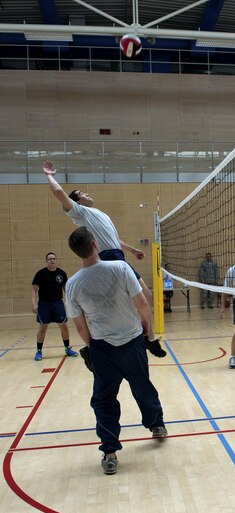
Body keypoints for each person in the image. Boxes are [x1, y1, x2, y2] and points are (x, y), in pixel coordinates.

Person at [65, 227, 167, 475]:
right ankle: (156, 426)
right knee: (142, 387)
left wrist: (92, 348)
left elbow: (79, 325)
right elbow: (143, 302)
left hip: (103, 349)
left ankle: (109, 452)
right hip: (132, 343)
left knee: (103, 400)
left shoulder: (72, 284)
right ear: (96, 244)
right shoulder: (121, 268)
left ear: (77, 252)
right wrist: (148, 331)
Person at [42, 161, 166, 359]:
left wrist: (133, 250)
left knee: (147, 295)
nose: (87, 194)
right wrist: (49, 175)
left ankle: (148, 338)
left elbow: (113, 239)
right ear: (76, 201)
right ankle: (138, 340)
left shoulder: (97, 214)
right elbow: (58, 193)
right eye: (82, 193)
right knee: (135, 299)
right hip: (108, 259)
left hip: (118, 255)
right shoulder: (80, 212)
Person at [31, 252, 78, 361]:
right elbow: (34, 288)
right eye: (49, 259)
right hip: (44, 304)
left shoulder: (61, 273)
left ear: (56, 260)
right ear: (46, 261)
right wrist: (34, 303)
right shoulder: (41, 274)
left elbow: (66, 289)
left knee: (64, 326)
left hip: (58, 303)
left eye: (53, 258)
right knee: (43, 328)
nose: (52, 260)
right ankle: (39, 351)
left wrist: (69, 302)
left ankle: (67, 348)